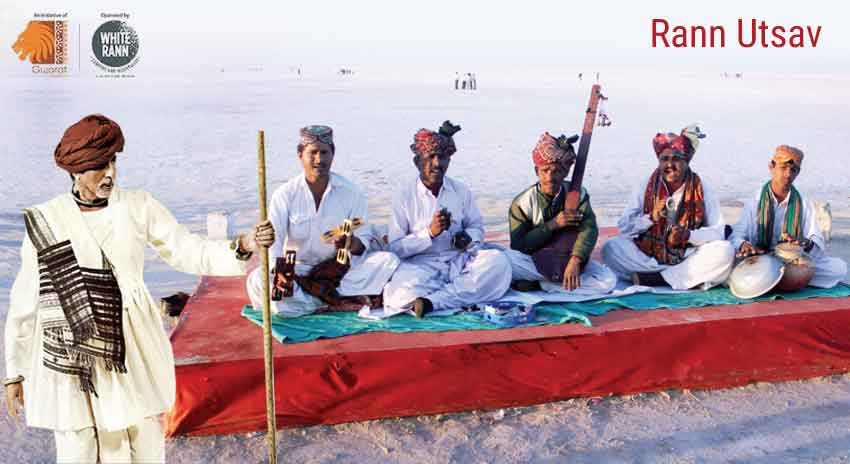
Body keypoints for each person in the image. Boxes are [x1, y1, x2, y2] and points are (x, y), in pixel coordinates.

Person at [3, 114, 274, 463]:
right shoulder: (46, 219)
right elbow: (26, 302)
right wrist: (15, 373)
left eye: (113, 161)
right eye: (99, 165)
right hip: (71, 353)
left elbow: (186, 249)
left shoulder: (138, 205)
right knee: (79, 445)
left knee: (141, 438)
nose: (110, 173)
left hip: (132, 343)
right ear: (75, 171)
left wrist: (244, 244)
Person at [246, 125, 399, 316]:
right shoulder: (285, 194)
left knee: (388, 261)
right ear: (300, 155)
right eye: (313, 153)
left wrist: (351, 243)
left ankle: (311, 301)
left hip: (337, 271)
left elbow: (364, 240)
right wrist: (278, 273)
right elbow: (273, 244)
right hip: (297, 270)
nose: (319, 159)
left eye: (325, 152)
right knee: (257, 281)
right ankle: (327, 301)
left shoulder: (351, 193)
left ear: (333, 154)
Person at [383, 121, 512, 317]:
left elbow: (477, 228)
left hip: (459, 261)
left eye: (442, 157)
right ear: (417, 161)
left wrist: (467, 238)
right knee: (397, 296)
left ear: (449, 161)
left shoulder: (460, 190)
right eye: (430, 157)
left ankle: (433, 302)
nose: (437, 163)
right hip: (421, 266)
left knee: (498, 264)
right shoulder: (404, 195)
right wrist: (428, 234)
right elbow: (395, 249)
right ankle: (447, 298)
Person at [601, 125, 735, 289]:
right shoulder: (646, 184)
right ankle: (675, 277)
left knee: (724, 252)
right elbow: (625, 227)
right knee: (611, 248)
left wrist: (687, 236)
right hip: (649, 255)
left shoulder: (702, 187)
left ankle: (657, 279)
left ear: (686, 161)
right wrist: (651, 218)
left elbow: (718, 231)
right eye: (664, 159)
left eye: (676, 159)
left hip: (688, 256)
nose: (669, 165)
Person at [506, 132, 617, 293]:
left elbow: (589, 229)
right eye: (545, 171)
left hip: (569, 259)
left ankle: (542, 284)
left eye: (556, 171)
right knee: (507, 261)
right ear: (536, 171)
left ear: (565, 173)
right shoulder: (522, 202)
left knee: (607, 281)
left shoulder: (578, 194)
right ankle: (552, 283)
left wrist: (576, 260)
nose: (550, 177)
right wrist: (552, 225)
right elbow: (518, 246)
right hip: (534, 261)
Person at [730, 145, 847, 287]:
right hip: (760, 260)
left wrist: (805, 243)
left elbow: (817, 244)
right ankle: (780, 280)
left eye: (793, 170)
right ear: (771, 167)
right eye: (783, 168)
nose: (788, 174)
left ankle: (771, 281)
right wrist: (744, 244)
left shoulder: (803, 203)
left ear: (798, 172)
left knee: (838, 268)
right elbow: (736, 235)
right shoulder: (754, 201)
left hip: (791, 262)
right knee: (726, 258)